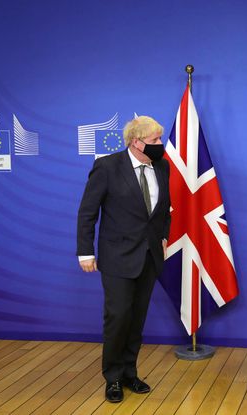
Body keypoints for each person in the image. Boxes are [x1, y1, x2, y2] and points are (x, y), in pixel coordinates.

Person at [76, 116, 171, 403]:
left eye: (159, 138)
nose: (160, 144)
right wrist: (85, 251)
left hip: (149, 256)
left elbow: (164, 208)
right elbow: (87, 212)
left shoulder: (162, 166)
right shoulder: (107, 167)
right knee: (118, 318)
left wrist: (163, 236)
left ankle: (130, 373)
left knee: (136, 319)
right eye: (154, 140)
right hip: (117, 257)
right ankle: (113, 378)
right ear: (136, 142)